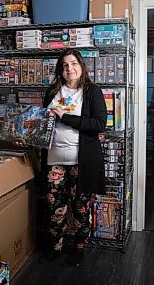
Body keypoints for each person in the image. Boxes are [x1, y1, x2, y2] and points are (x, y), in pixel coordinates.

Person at [39, 49, 107, 267]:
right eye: (65, 65)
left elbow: (98, 124)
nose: (70, 69)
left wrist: (65, 117)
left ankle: (79, 248)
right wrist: (28, 136)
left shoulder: (92, 92)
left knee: (80, 209)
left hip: (82, 162)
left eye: (74, 63)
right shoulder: (52, 92)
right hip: (53, 160)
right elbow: (43, 125)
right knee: (54, 208)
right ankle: (56, 248)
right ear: (61, 70)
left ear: (81, 65)